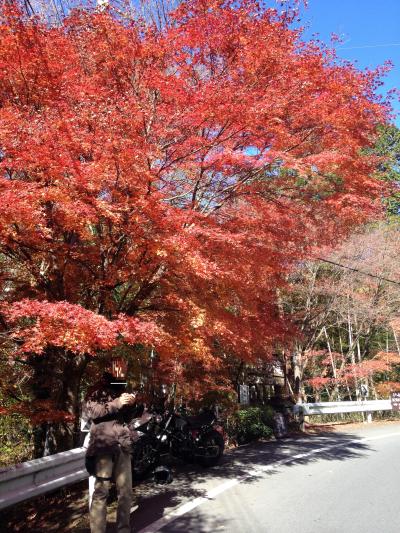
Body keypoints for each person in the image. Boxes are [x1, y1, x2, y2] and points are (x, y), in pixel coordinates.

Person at [83, 357, 137, 533]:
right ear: (110, 368)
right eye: (119, 367)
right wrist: (117, 403)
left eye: (124, 367)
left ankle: (124, 529)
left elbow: (127, 419)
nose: (122, 370)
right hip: (103, 447)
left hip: (122, 445)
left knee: (126, 493)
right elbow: (93, 413)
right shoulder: (95, 390)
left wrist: (131, 405)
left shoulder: (122, 389)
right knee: (101, 494)